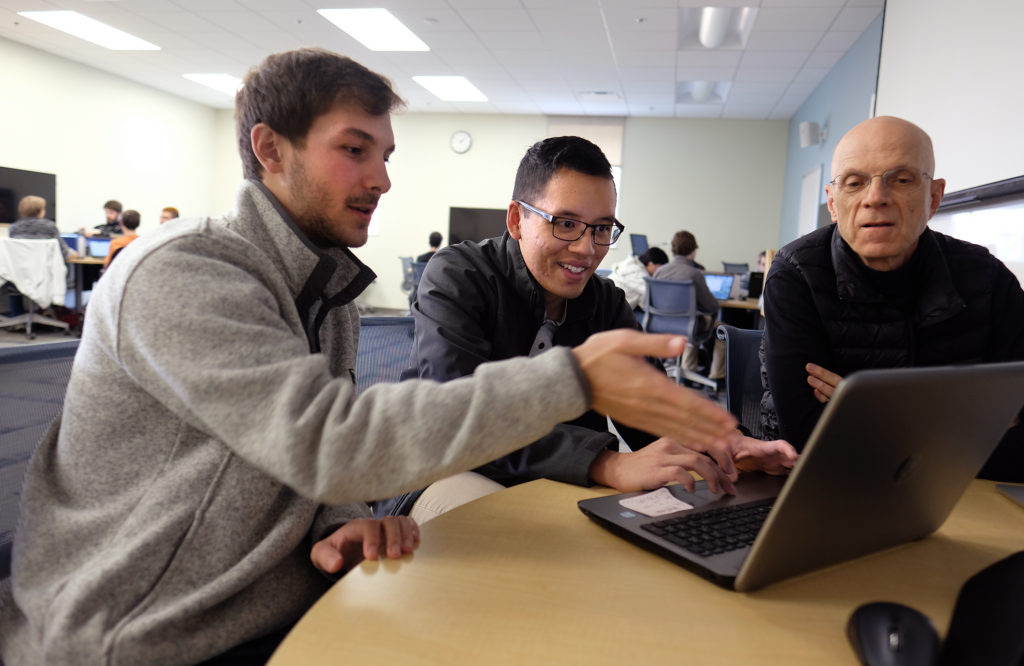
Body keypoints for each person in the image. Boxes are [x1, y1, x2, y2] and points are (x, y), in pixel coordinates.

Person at [1, 49, 746, 666]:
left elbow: (301, 454)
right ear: (270, 149)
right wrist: (575, 384)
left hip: (275, 599)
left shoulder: (328, 293)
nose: (384, 178)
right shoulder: (186, 270)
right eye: (354, 150)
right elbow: (333, 441)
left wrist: (340, 521)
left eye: (385, 155)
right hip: (139, 633)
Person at [396, 136, 795, 522]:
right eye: (566, 223)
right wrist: (607, 463)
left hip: (555, 478)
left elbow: (648, 407)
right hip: (447, 471)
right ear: (517, 220)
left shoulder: (604, 301)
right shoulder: (459, 276)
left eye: (602, 229)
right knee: (515, 529)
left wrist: (725, 445)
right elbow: (457, 418)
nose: (586, 249)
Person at [760, 115, 1024, 480]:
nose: (876, 198)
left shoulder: (986, 277)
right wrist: (966, 424)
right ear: (833, 203)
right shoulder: (797, 275)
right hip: (832, 489)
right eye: (854, 183)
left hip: (966, 496)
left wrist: (871, 415)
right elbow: (808, 437)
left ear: (934, 197)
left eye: (900, 180)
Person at [652, 230, 726, 381]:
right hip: (688, 327)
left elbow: (650, 302)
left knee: (692, 321)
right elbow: (711, 307)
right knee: (723, 330)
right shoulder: (694, 274)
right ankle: (716, 376)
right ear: (693, 251)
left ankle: (686, 375)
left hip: (660, 325)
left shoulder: (659, 272)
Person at [8, 195, 76, 260]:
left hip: (20, 270)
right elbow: (64, 253)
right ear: (40, 211)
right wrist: (74, 253)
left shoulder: (14, 228)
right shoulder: (50, 226)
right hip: (45, 271)